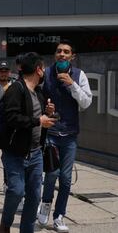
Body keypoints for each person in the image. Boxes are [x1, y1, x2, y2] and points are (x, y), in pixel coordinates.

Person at [37, 40, 92, 232]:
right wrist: (46, 108)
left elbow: (86, 103)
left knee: (66, 178)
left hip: (69, 133)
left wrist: (72, 85)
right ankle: (45, 203)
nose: (62, 54)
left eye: (66, 52)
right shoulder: (45, 74)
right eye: (59, 51)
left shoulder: (79, 75)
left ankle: (59, 215)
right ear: (55, 55)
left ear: (72, 57)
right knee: (51, 173)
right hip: (51, 131)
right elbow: (38, 98)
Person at [0, 52, 56, 233]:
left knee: (34, 196)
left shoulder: (38, 92)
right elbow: (12, 117)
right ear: (38, 69)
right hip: (15, 153)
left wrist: (48, 113)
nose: (45, 71)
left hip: (36, 152)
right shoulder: (16, 89)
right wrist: (39, 121)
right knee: (16, 190)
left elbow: (41, 119)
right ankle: (5, 225)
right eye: (43, 68)